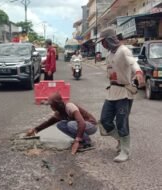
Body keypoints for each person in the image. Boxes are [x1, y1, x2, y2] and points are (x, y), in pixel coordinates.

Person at [96, 27, 145, 162]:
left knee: (122, 122)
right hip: (112, 92)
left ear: (109, 39)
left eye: (103, 41)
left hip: (124, 93)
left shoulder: (124, 50)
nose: (102, 44)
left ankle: (125, 151)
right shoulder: (110, 54)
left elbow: (133, 63)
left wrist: (139, 73)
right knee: (105, 121)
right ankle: (120, 140)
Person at [26, 92, 97, 154]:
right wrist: (35, 129)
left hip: (91, 125)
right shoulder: (59, 112)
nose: (50, 107)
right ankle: (82, 139)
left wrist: (77, 140)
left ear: (57, 104)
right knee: (60, 125)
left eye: (51, 105)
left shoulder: (69, 106)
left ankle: (87, 142)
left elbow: (82, 123)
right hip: (81, 126)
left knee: (71, 124)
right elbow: (49, 122)